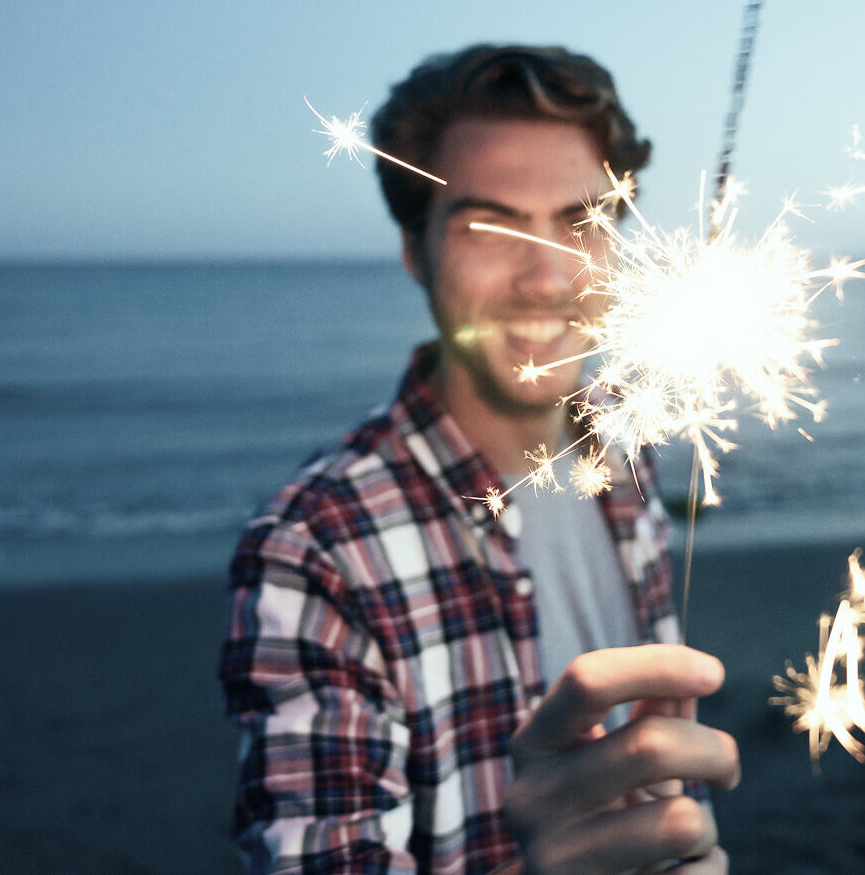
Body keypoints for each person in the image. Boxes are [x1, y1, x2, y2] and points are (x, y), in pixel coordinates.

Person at [220, 44, 740, 875]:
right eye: (488, 224)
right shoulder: (314, 547)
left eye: (582, 222)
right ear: (415, 250)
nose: (546, 276)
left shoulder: (622, 450)